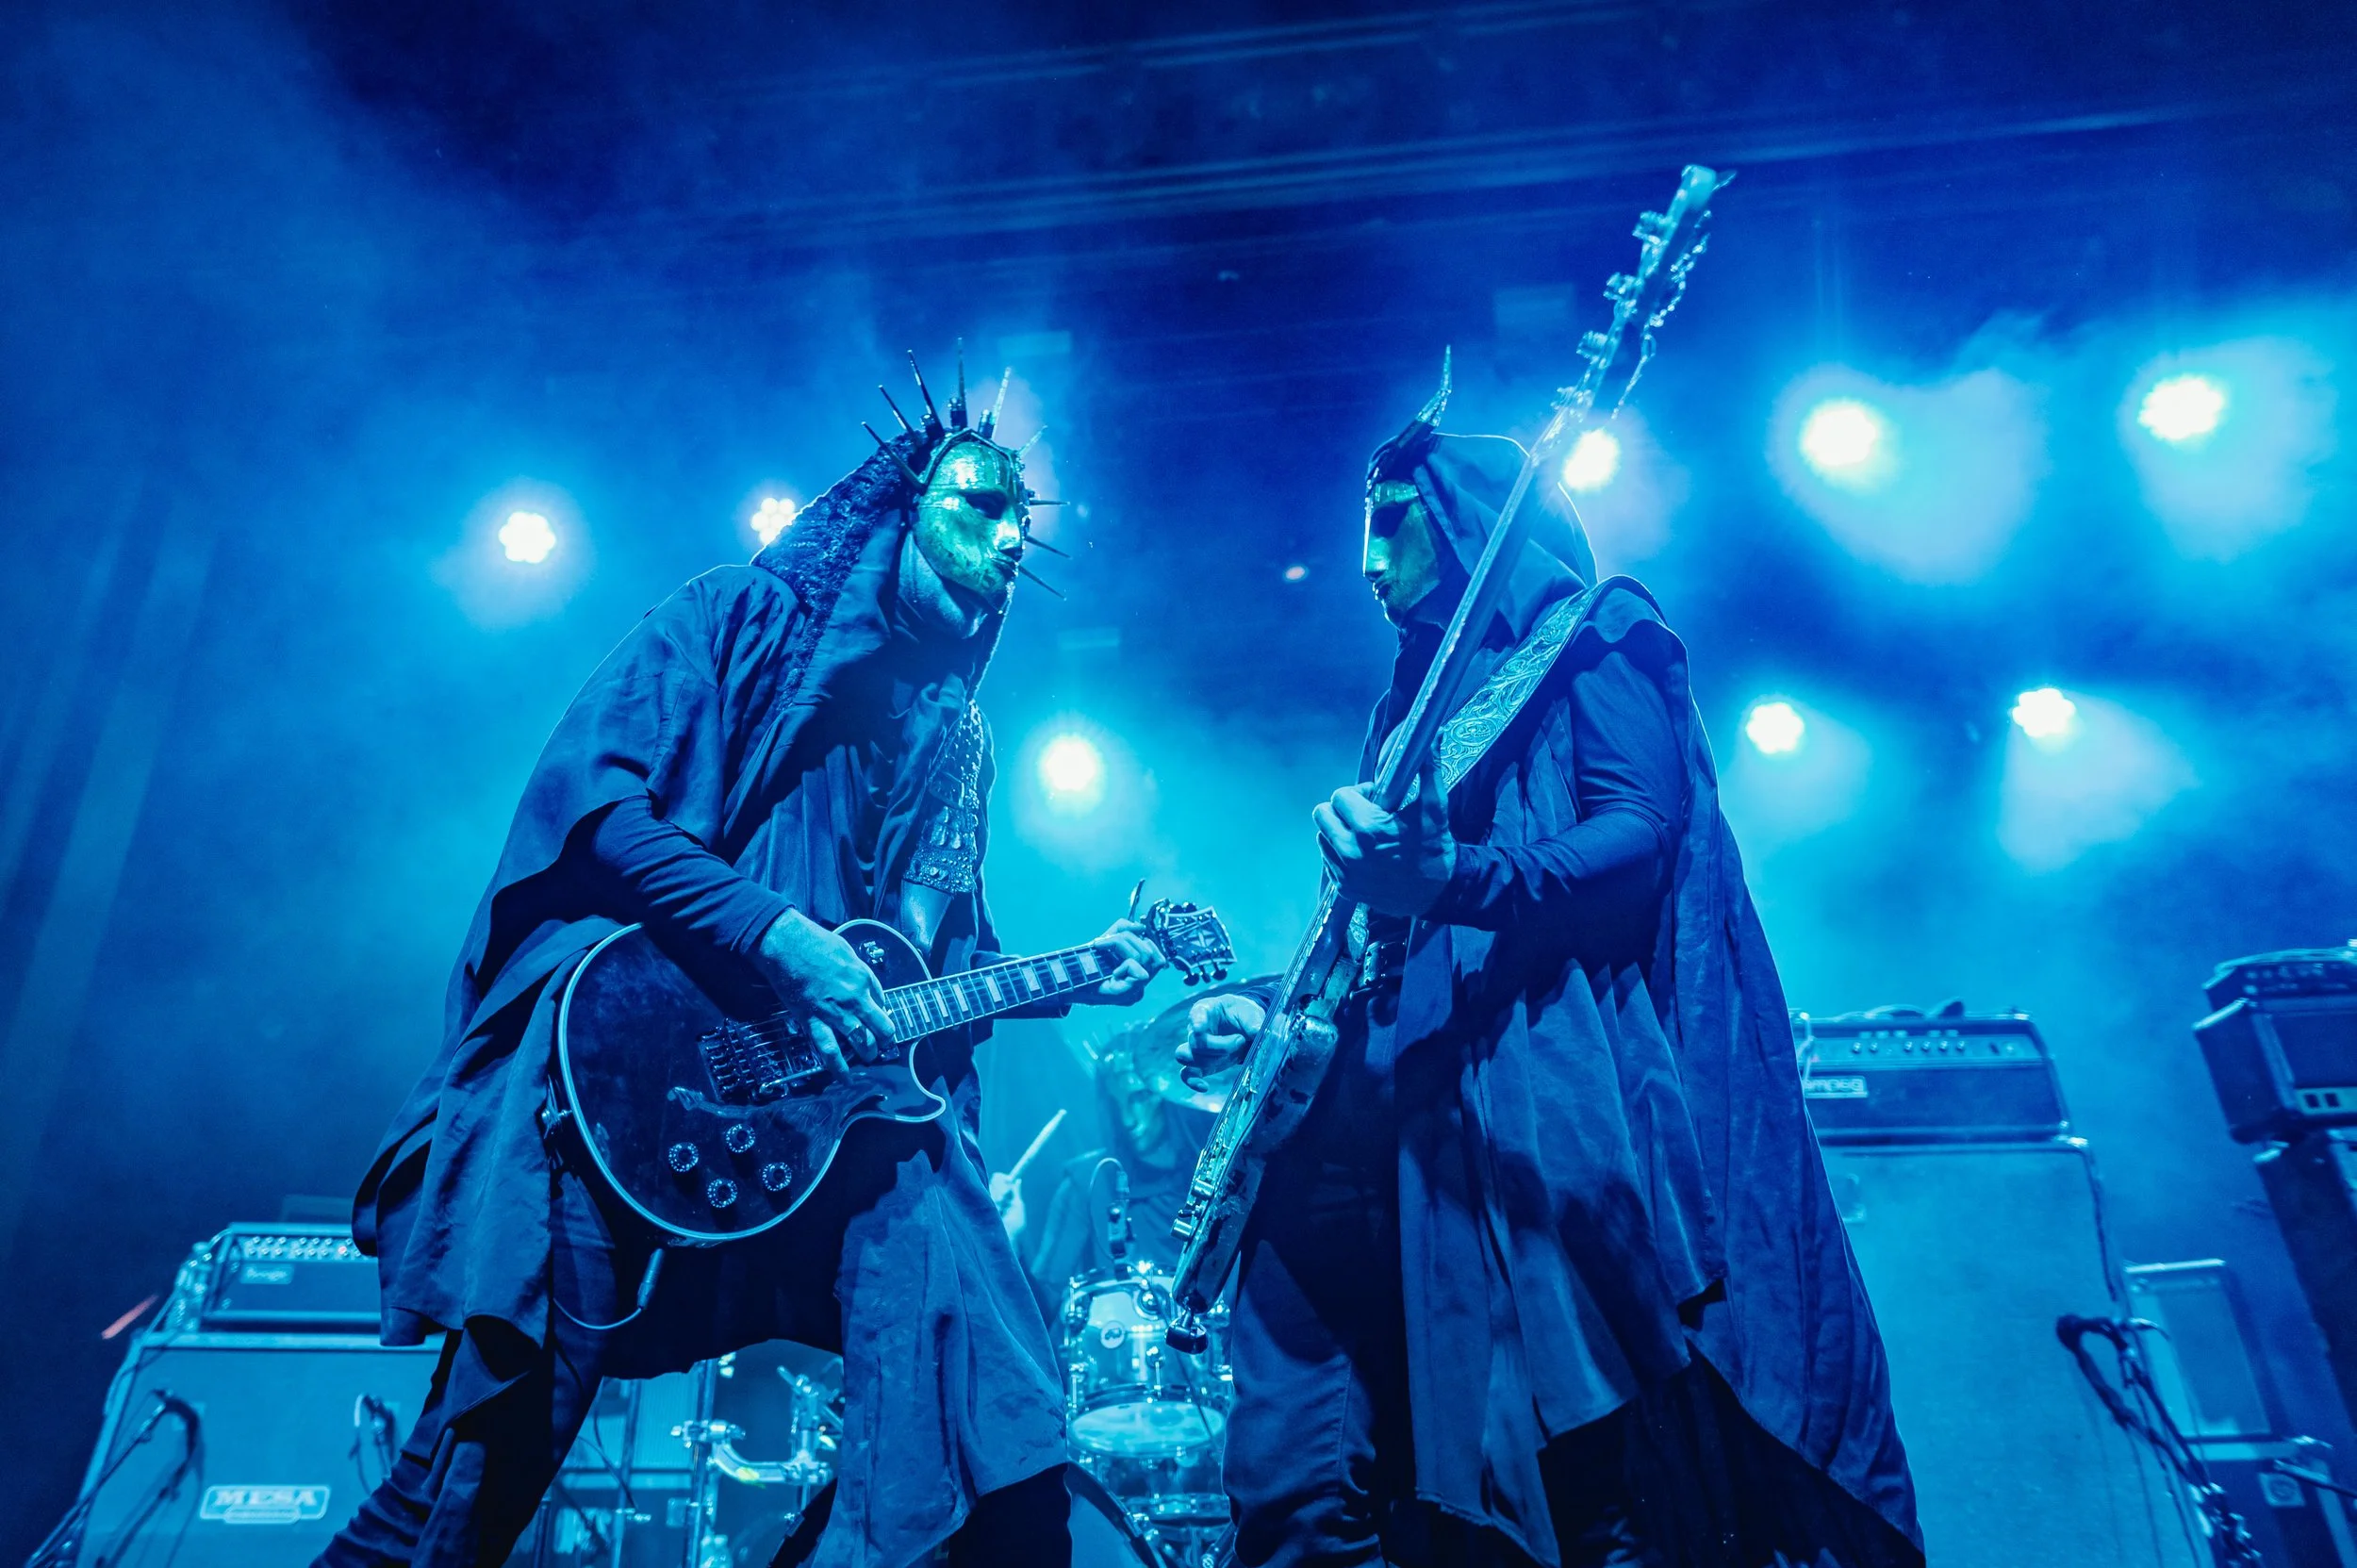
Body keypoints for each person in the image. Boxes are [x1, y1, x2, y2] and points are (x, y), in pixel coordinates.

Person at [316, 366, 1163, 1568]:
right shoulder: (734, 616)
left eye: (1022, 523)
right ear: (903, 506)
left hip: (821, 1115)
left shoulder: (955, 742)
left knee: (980, 1392)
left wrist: (1074, 973)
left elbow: (926, 971)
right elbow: (592, 808)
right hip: (624, 1065)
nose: (1008, 538)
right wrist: (773, 934)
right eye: (980, 504)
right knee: (473, 1475)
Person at [1182, 371, 1923, 1568]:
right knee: (1310, 1483)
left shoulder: (1594, 636)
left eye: (1392, 525)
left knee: (1580, 1472)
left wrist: (1456, 877)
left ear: (1467, 520)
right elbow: (1387, 944)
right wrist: (1266, 1008)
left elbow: (1637, 836)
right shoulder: (1407, 716)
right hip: (1376, 1121)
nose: (1367, 561)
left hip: (1522, 1104)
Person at [1001, 1025, 1216, 1319]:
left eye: (1139, 1097)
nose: (1128, 1119)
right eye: (1116, 1103)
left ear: (1167, 1092)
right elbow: (1041, 1308)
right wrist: (1008, 1240)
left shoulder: (1215, 1177)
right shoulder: (1088, 1182)